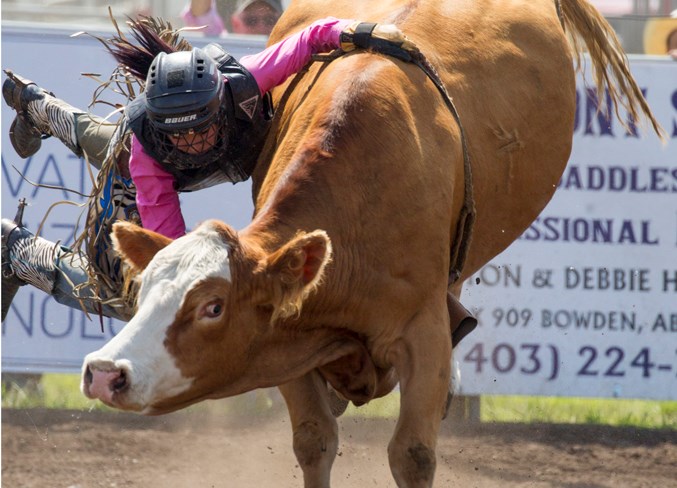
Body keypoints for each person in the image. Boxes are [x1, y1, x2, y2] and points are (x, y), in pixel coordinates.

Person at [2, 16, 419, 322]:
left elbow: (309, 39)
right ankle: (18, 252)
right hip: (141, 161)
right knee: (126, 296)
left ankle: (37, 105)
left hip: (192, 150)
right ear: (159, 121)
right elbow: (172, 254)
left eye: (200, 126)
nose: (191, 140)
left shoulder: (246, 82)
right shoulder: (148, 151)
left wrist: (357, 32)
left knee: (107, 141)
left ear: (220, 103)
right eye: (178, 133)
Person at [181, 0, 282, 37]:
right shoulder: (221, 48)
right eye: (251, 20)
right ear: (235, 23)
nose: (261, 27)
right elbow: (200, 12)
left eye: (270, 20)